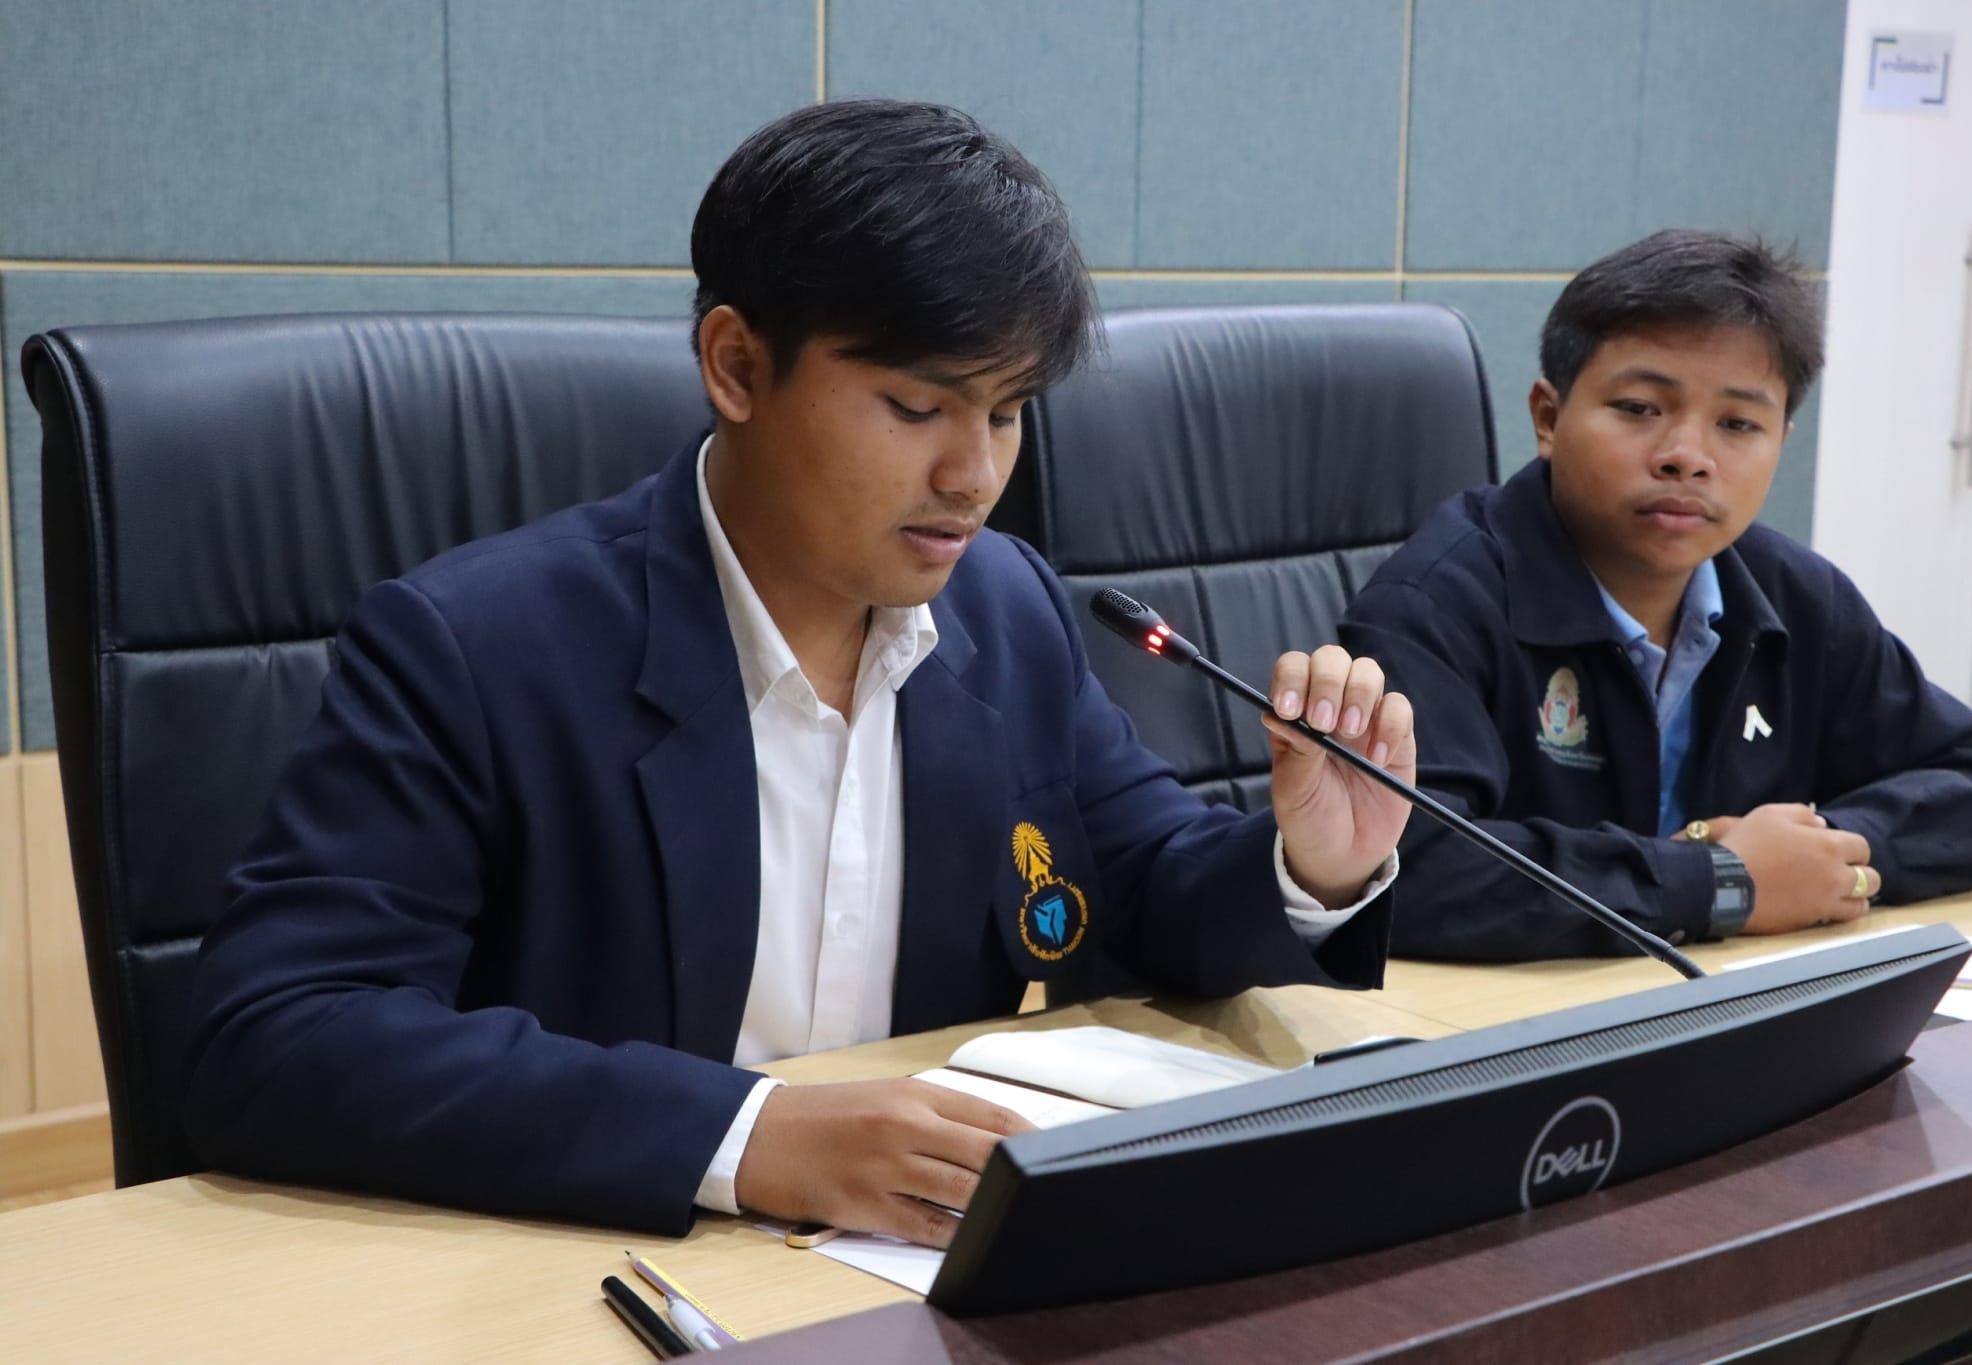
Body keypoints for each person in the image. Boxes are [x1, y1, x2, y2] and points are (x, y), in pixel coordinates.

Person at [184, 100, 1417, 1245]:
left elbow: (1142, 887)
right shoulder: (474, 646)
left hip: (897, 1268)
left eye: (1004, 412)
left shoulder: (1003, 608)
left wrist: (1309, 864)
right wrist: (745, 1136)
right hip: (579, 1267)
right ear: (735, 366)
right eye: (915, 407)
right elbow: (278, 1034)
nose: (973, 477)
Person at [1340, 229, 1972, 962]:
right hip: (1515, 1013)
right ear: (1548, 416)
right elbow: (1401, 866)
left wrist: (1819, 856)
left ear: (1780, 440)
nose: (1688, 457)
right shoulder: (1432, 604)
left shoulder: (1795, 593)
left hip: (1728, 998)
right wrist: (1720, 880)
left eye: (1738, 424)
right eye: (1640, 408)